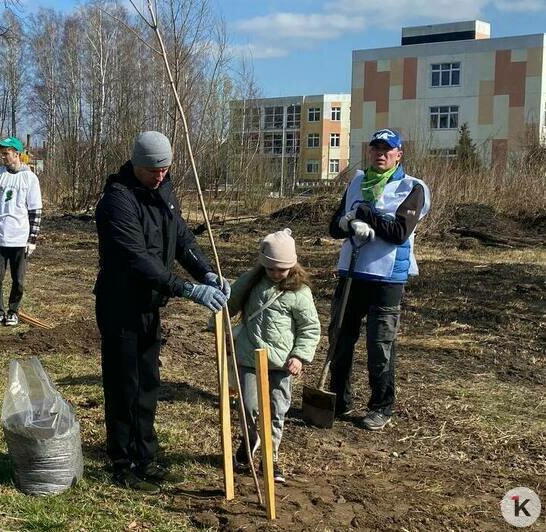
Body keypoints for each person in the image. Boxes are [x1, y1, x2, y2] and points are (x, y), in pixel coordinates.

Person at [94, 130, 230, 493]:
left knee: (148, 383)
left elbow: (181, 238)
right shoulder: (117, 201)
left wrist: (205, 272)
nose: (160, 176)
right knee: (124, 384)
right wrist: (186, 289)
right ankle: (123, 462)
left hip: (149, 306)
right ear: (136, 165)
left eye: (165, 169)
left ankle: (145, 455)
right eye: (153, 170)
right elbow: (137, 260)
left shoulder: (164, 191)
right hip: (121, 304)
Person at [327, 128, 430, 431]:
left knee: (380, 344)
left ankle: (381, 406)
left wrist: (366, 216)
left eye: (387, 149)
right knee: (340, 338)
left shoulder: (412, 188)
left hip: (387, 278)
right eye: (376, 148)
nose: (381, 154)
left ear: (399, 154)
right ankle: (339, 398)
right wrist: (347, 223)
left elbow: (399, 232)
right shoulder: (357, 182)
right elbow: (333, 227)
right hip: (351, 272)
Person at [228, 228, 320, 484]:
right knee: (248, 406)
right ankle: (250, 439)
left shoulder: (299, 293)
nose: (276, 273)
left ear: (292, 265)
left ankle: (271, 457)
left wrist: (299, 356)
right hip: (249, 357)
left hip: (281, 364)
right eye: (270, 268)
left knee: (277, 411)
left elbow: (310, 328)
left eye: (281, 269)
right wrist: (216, 321)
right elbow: (229, 305)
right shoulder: (250, 283)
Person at [0, 136, 42, 327]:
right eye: (1, 153)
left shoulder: (29, 178)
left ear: (17, 154)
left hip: (19, 237)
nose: (3, 157)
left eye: (6, 153)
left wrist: (32, 239)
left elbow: (35, 211)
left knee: (18, 279)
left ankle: (13, 311)